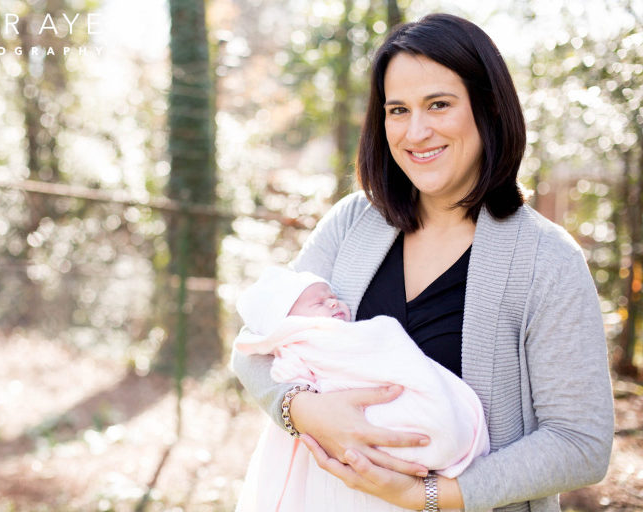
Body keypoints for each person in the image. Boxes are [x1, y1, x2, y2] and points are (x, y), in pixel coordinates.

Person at [231, 12, 614, 512]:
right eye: (397, 110)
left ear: (489, 109)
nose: (416, 132)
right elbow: (256, 345)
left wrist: (428, 495)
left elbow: (580, 443)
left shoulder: (547, 261)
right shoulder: (353, 223)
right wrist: (306, 411)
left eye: (439, 105)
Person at [233, 266, 489, 511]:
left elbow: (386, 346)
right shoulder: (296, 344)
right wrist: (302, 407)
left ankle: (438, 430)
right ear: (287, 327)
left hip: (423, 467)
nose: (333, 303)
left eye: (332, 297)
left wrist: (424, 495)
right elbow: (254, 353)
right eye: (318, 304)